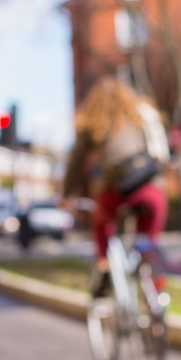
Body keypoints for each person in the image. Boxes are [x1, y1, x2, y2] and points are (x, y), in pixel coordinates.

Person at [62, 77, 168, 297]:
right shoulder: (139, 114)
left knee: (101, 222)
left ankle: (104, 267)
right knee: (148, 242)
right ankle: (154, 282)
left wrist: (66, 194)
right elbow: (159, 153)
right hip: (150, 190)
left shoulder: (94, 122)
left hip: (116, 191)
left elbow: (75, 163)